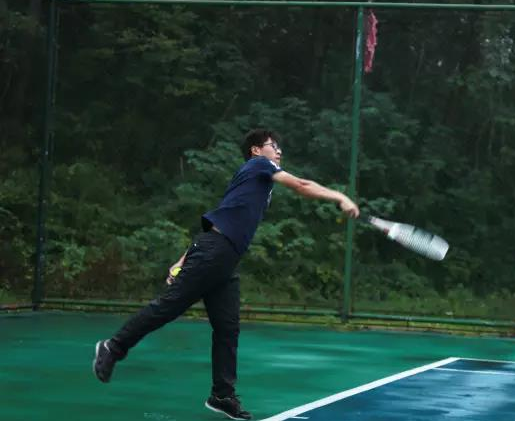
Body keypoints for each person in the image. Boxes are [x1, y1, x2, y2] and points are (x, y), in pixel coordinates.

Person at [92, 129, 359, 420]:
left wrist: (183, 258)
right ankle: (113, 347)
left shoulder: (252, 182)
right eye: (273, 146)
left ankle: (222, 395)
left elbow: (221, 217)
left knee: (227, 328)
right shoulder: (259, 165)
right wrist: (339, 196)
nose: (279, 151)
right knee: (168, 306)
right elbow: (301, 185)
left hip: (223, 258)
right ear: (256, 150)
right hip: (215, 253)